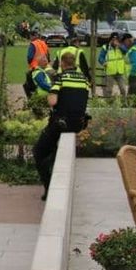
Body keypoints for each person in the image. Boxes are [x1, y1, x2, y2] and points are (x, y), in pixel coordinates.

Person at [33, 51, 89, 201]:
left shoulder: (61, 78)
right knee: (53, 150)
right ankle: (53, 161)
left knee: (39, 151)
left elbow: (52, 101)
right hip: (78, 124)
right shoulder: (84, 80)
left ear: (63, 64)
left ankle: (49, 187)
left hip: (61, 123)